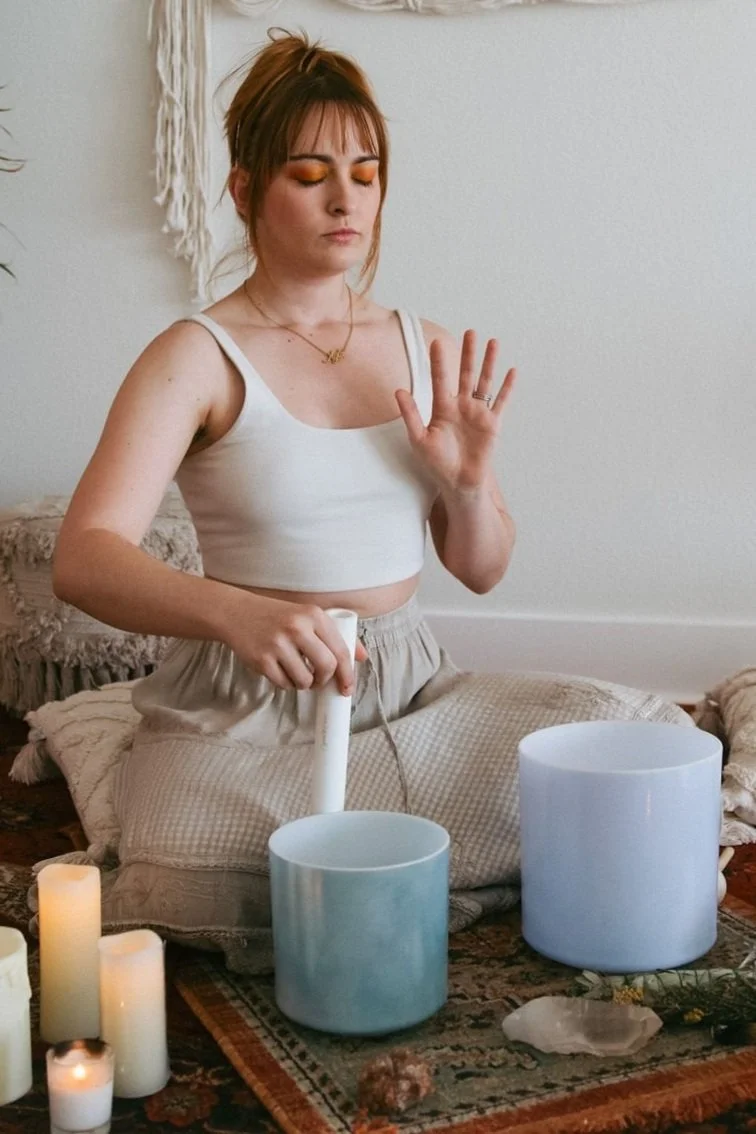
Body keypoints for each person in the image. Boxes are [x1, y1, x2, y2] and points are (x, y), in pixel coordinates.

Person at [52, 30, 689, 971]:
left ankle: (372, 863)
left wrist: (466, 484)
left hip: (413, 694)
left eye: (365, 172)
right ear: (244, 191)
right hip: (248, 708)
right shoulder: (194, 357)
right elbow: (85, 556)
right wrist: (236, 613)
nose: (345, 199)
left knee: (642, 735)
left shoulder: (422, 348)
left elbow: (482, 569)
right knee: (181, 869)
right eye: (310, 174)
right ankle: (417, 868)